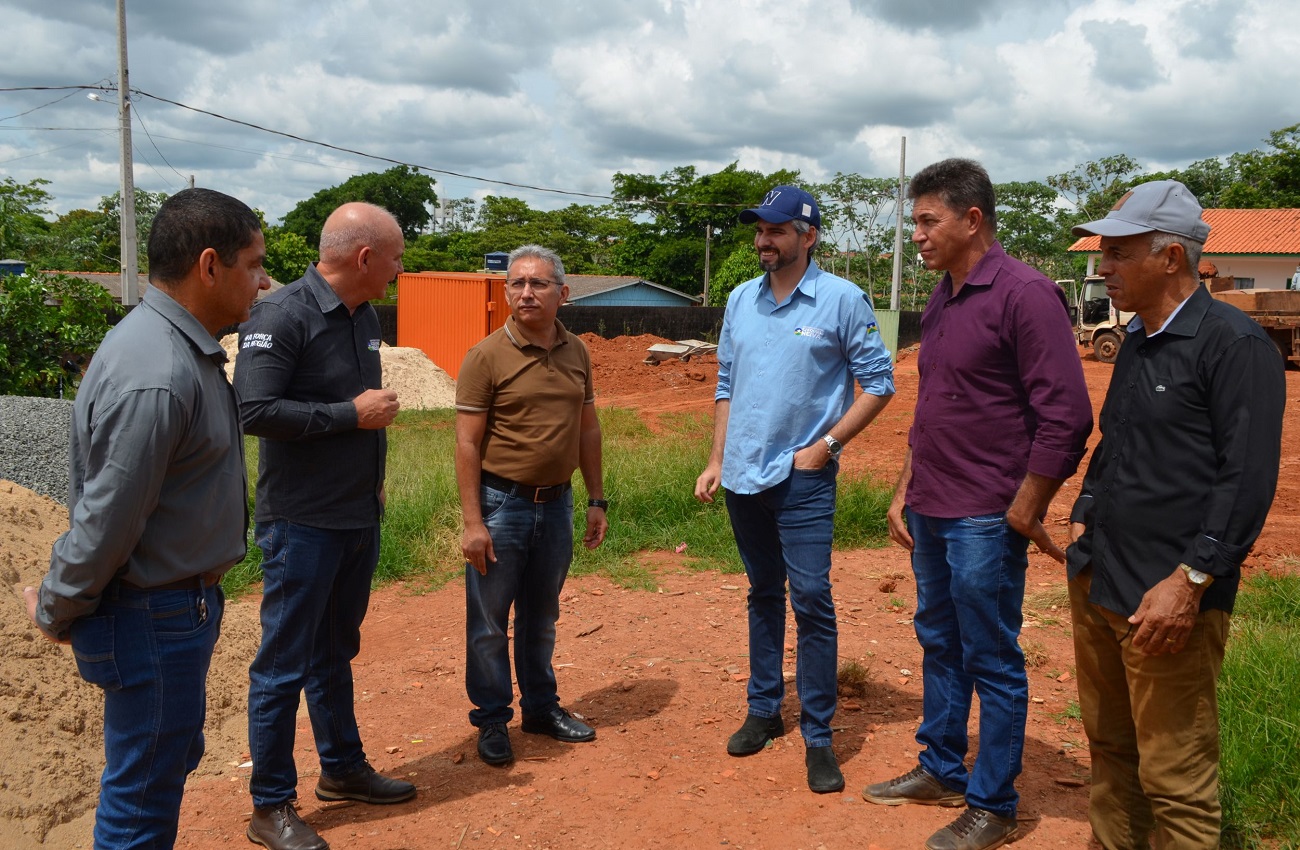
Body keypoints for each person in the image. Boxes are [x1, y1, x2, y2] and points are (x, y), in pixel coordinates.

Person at [25, 188, 270, 848]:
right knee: (140, 800)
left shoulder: (172, 349)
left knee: (156, 776)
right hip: (152, 617)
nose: (264, 281)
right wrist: (55, 603)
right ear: (210, 265)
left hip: (168, 611)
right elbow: (108, 516)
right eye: (254, 264)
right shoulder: (157, 371)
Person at [862, 159, 1092, 850]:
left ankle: (994, 803)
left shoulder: (1025, 294)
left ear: (973, 219)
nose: (918, 235)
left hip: (986, 515)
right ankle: (941, 766)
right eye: (916, 221)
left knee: (990, 653)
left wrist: (1026, 507)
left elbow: (1069, 415)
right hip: (935, 504)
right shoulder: (943, 293)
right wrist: (906, 485)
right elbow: (936, 404)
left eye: (929, 221)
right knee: (939, 639)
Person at [1066, 180, 1284, 849]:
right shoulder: (1137, 337)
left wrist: (1191, 581)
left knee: (1175, 774)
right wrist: (1084, 515)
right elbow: (1118, 439)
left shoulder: (1234, 345)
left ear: (1170, 258)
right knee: (1111, 750)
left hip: (1167, 604)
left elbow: (1246, 479)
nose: (1103, 265)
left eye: (1119, 251)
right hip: (1102, 580)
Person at [694, 185, 895, 794]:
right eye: (759, 230)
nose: (763, 240)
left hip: (803, 478)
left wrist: (826, 448)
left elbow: (879, 384)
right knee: (762, 592)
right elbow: (727, 380)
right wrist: (715, 458)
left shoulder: (842, 299)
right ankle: (763, 711)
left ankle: (819, 735)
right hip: (743, 477)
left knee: (811, 598)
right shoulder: (739, 300)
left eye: (777, 230)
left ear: (807, 236)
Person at [235, 202, 413, 850]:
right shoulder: (280, 314)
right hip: (302, 523)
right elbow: (252, 408)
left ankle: (341, 769)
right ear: (365, 259)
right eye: (394, 257)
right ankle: (270, 805)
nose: (399, 269)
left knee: (334, 652)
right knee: (283, 665)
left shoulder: (364, 316)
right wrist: (348, 415)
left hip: (355, 514)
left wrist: (370, 472)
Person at [455, 244, 608, 766]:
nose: (526, 292)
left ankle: (541, 709)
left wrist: (596, 498)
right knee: (490, 623)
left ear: (562, 293)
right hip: (503, 505)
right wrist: (473, 522)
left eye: (538, 283)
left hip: (558, 504)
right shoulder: (484, 356)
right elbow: (467, 444)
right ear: (505, 293)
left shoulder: (578, 352)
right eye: (517, 283)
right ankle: (493, 721)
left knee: (541, 617)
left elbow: (588, 428)